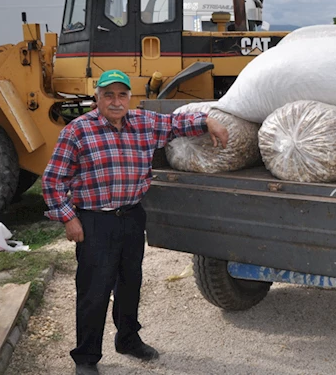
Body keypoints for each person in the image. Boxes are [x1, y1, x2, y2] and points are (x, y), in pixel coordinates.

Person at [42, 69, 229, 375]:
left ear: (130, 97)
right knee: (94, 291)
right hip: (94, 222)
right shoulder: (77, 131)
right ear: (97, 97)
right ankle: (87, 358)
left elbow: (174, 123)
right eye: (108, 95)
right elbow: (52, 181)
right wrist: (68, 219)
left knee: (130, 284)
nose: (116, 101)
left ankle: (127, 339)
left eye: (122, 95)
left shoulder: (143, 123)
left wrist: (208, 120)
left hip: (131, 216)